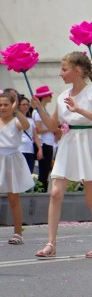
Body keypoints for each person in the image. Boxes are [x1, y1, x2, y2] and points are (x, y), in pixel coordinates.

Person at [32, 51, 92, 258]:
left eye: (64, 69)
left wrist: (79, 110)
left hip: (87, 143)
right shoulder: (62, 96)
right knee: (55, 193)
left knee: (91, 198)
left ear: (76, 71)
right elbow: (54, 125)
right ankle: (51, 243)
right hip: (68, 144)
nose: (60, 73)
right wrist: (40, 110)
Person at [0, 91, 35, 245]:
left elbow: (26, 125)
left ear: (12, 105)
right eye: (0, 105)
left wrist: (16, 111)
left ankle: (18, 233)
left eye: (6, 104)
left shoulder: (16, 121)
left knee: (13, 198)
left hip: (12, 159)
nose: (2, 107)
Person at [32, 85, 56, 192]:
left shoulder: (43, 110)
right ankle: (39, 193)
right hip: (44, 144)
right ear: (45, 96)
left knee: (46, 172)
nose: (51, 97)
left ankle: (42, 192)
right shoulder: (38, 112)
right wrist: (52, 128)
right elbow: (38, 130)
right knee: (43, 172)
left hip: (48, 143)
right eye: (49, 95)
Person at [18, 95, 43, 174]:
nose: (26, 106)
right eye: (23, 104)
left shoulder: (31, 120)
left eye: (27, 104)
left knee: (29, 173)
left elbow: (35, 136)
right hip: (19, 150)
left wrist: (40, 149)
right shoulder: (14, 119)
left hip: (30, 150)